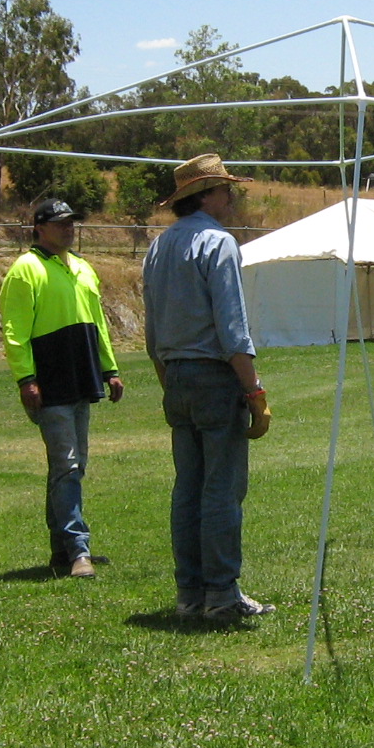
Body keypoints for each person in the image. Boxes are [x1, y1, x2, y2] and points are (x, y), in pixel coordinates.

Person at [142, 153, 274, 622]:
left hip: (175, 375)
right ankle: (221, 594)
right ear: (206, 195)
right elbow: (232, 328)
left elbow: (152, 331)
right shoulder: (218, 243)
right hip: (214, 378)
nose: (230, 196)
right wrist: (254, 392)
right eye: (225, 188)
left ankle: (190, 593)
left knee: (188, 488)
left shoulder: (158, 247)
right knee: (221, 488)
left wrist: (167, 382)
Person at [0, 198, 124, 578]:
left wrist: (110, 368)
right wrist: (26, 379)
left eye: (72, 223)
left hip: (82, 377)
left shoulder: (83, 268)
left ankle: (62, 550)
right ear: (39, 228)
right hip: (50, 382)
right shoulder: (25, 270)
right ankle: (78, 550)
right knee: (67, 466)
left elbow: (98, 324)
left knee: (71, 467)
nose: (69, 229)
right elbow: (15, 332)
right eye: (60, 223)